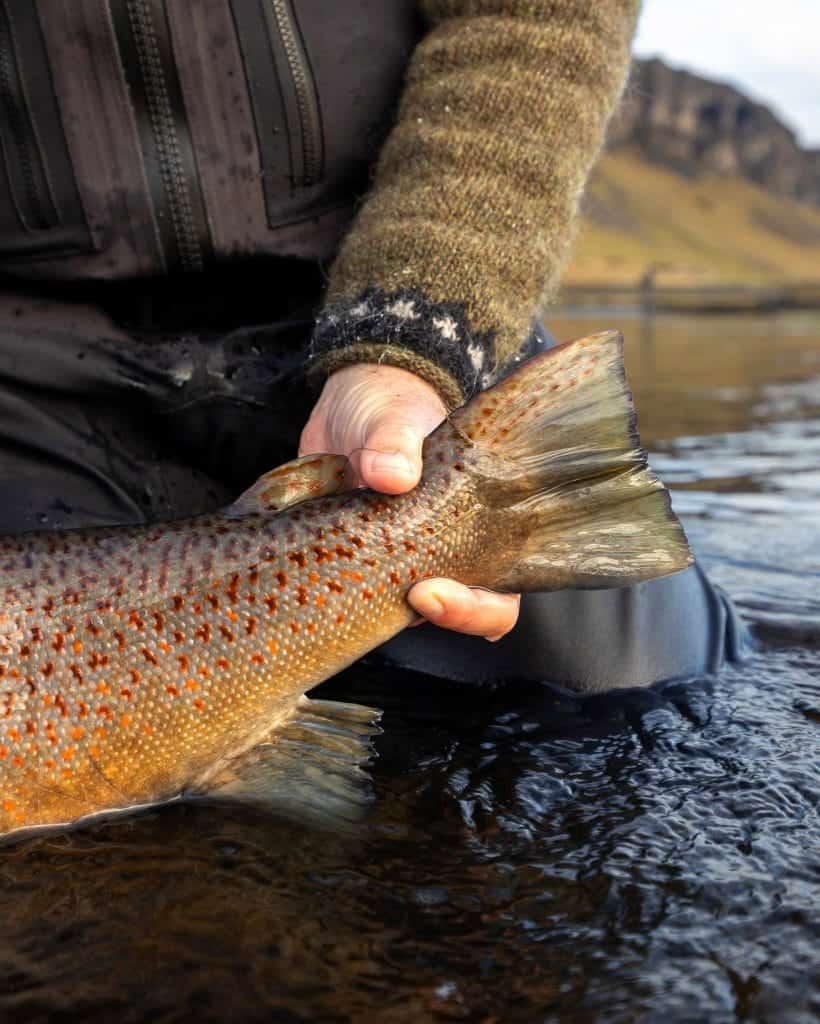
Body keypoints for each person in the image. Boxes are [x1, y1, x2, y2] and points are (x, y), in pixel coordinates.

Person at [0, 0, 741, 692]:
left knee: (643, 686)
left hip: (377, 287)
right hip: (25, 360)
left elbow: (527, 19)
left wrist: (405, 339)